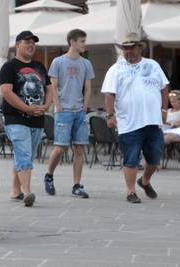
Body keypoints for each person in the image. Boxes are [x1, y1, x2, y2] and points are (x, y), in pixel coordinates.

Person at [101, 32, 169, 204]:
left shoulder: (153, 65)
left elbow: (164, 88)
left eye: (131, 48)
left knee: (154, 157)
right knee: (131, 158)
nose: (128, 51)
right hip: (129, 122)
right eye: (125, 48)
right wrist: (110, 115)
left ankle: (144, 181)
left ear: (140, 48)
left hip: (153, 120)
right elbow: (109, 94)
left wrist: (164, 109)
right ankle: (131, 192)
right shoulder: (115, 69)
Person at [0, 30, 53, 207]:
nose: (31, 45)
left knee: (25, 155)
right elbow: (6, 92)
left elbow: (49, 88)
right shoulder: (9, 67)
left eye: (33, 42)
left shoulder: (40, 66)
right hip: (16, 118)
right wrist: (27, 109)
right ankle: (28, 192)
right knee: (24, 153)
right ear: (17, 45)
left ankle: (15, 191)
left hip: (37, 118)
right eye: (26, 42)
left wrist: (46, 106)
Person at [43, 29, 95, 198]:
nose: (84, 44)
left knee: (79, 148)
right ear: (72, 42)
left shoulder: (86, 63)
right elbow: (53, 87)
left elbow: (88, 88)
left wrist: (84, 108)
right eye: (82, 41)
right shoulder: (58, 62)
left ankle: (77, 185)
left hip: (79, 111)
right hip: (63, 111)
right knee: (60, 147)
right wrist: (59, 107)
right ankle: (49, 175)